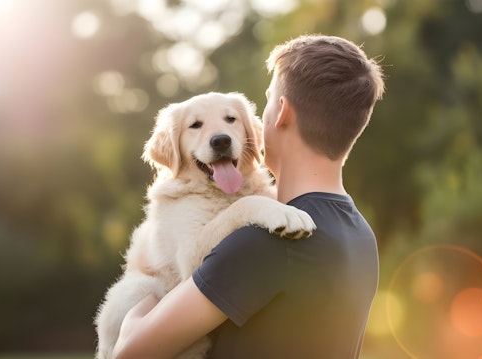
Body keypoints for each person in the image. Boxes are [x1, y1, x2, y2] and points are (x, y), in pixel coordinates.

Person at [112, 34, 385, 359]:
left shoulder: (264, 238)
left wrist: (135, 297)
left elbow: (129, 352)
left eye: (268, 99)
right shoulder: (359, 234)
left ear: (281, 112)